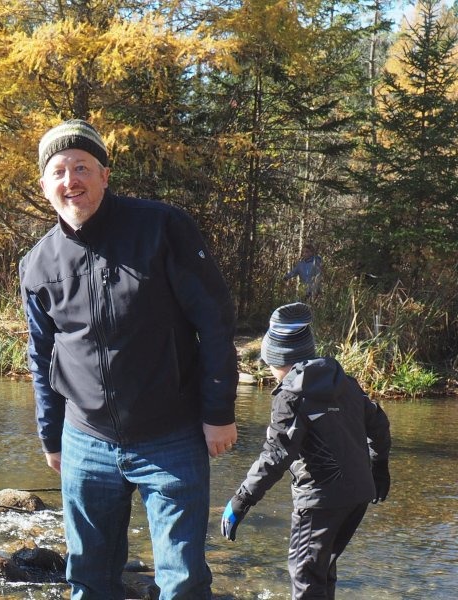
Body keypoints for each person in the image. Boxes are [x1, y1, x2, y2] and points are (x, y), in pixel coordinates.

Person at [19, 119, 239, 600]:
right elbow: (42, 356)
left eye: (82, 167)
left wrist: (219, 413)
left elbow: (216, 321)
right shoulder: (38, 263)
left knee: (181, 581)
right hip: (85, 440)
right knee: (89, 580)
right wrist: (50, 435)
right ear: (44, 185)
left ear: (105, 174)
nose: (70, 180)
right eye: (58, 171)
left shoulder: (162, 227)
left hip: (172, 434)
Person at [221, 302, 391, 600]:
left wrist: (241, 499)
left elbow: (277, 454)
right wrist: (378, 468)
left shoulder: (291, 394)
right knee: (322, 569)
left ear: (278, 358)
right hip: (358, 495)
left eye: (269, 363)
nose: (271, 371)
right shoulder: (345, 383)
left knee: (305, 574)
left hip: (320, 500)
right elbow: (378, 425)